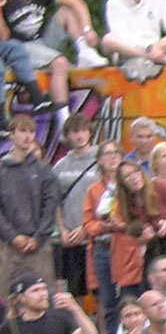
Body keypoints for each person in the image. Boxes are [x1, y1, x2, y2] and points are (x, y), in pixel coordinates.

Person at [1, 0, 108, 124]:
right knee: (60, 63)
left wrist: (88, 30)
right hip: (21, 47)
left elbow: (77, 2)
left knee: (66, 10)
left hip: (41, 42)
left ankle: (84, 51)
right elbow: (4, 37)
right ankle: (63, 119)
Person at [0, 115, 59, 296]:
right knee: (11, 298)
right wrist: (13, 236)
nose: (27, 136)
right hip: (8, 246)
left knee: (43, 296)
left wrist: (38, 237)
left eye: (31, 131)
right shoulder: (2, 170)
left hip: (39, 247)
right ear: (12, 135)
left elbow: (50, 207)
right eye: (22, 131)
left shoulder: (43, 171)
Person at [114, 160, 166, 296]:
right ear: (122, 183)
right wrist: (141, 236)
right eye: (127, 176)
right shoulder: (126, 201)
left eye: (136, 172)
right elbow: (133, 233)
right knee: (152, 291)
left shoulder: (160, 187)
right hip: (152, 247)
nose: (133, 178)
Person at [52, 114, 97, 299]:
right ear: (68, 136)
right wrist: (62, 229)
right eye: (75, 132)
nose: (80, 136)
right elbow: (56, 201)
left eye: (83, 131)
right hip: (70, 238)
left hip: (95, 237)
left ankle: (101, 329)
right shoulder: (61, 165)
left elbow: (108, 198)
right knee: (73, 292)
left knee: (99, 293)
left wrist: (86, 228)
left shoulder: (100, 160)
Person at [83, 142, 124, 331]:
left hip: (127, 247)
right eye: (107, 154)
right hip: (103, 248)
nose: (113, 157)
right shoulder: (94, 190)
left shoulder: (131, 183)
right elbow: (88, 224)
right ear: (99, 160)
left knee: (129, 297)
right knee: (107, 301)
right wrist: (104, 226)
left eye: (116, 153)